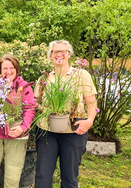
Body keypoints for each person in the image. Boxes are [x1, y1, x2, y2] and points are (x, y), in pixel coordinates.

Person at [34, 40, 97, 188]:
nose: (59, 55)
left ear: (69, 54)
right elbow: (34, 102)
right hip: (46, 131)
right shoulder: (44, 79)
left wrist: (89, 121)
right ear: (50, 56)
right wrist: (43, 109)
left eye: (63, 51)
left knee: (70, 177)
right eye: (55, 52)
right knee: (42, 175)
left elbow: (91, 102)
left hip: (74, 131)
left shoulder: (81, 75)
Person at [0, 54, 36, 188]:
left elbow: (30, 109)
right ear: (0, 70)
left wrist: (23, 128)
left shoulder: (24, 86)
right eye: (5, 68)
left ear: (17, 69)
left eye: (12, 68)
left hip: (16, 132)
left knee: (13, 170)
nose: (8, 71)